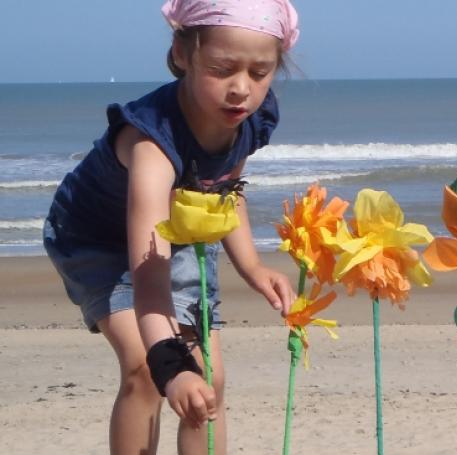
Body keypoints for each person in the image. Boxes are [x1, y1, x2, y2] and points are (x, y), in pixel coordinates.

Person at [42, 1, 299, 453]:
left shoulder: (248, 119)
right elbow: (149, 278)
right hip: (96, 239)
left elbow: (225, 190)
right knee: (147, 369)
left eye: (260, 73)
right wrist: (169, 364)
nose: (241, 89)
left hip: (178, 229)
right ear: (183, 54)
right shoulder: (152, 143)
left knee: (208, 380)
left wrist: (253, 267)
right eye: (222, 69)